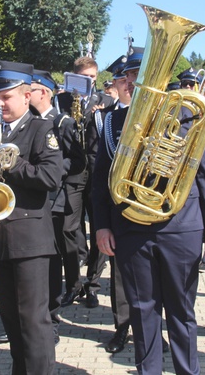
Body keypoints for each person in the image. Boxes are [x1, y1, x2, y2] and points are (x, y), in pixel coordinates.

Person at [93, 55, 205, 374]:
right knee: (141, 310)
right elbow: (99, 182)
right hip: (130, 230)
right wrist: (100, 226)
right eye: (132, 76)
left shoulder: (187, 114)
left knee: (182, 311)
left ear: (164, 79)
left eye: (146, 74)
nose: (136, 81)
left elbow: (204, 172)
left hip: (181, 227)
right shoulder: (112, 122)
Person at [0, 60, 63, 374]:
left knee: (33, 323)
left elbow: (51, 177)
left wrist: (7, 162)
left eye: (6, 97)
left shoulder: (42, 129)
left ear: (27, 96)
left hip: (30, 241)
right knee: (11, 320)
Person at [30, 69, 86, 345]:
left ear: (46, 92)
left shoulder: (63, 122)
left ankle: (52, 313)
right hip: (30, 199)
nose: (27, 93)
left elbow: (76, 160)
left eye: (32, 88)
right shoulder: (26, 121)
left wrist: (53, 172)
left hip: (54, 198)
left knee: (54, 256)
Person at [55, 55, 115, 308]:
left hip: (97, 171)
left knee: (100, 227)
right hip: (73, 172)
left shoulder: (105, 101)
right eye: (84, 78)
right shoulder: (61, 101)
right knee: (68, 228)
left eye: (93, 78)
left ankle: (92, 284)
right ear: (74, 77)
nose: (89, 82)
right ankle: (72, 284)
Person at [85, 52, 133, 353]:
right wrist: (102, 224)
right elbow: (100, 176)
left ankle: (153, 330)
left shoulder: (168, 113)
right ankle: (122, 328)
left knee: (156, 279)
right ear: (116, 83)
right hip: (121, 212)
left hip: (158, 216)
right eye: (124, 77)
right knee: (119, 278)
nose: (129, 82)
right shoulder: (109, 118)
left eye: (135, 76)